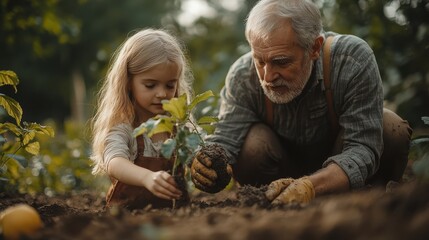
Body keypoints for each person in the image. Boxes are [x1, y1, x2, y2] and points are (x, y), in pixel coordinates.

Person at [190, 0, 412, 205]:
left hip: (342, 176)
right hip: (276, 176)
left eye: (281, 62)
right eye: (259, 60)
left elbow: (363, 146)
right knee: (251, 144)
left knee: (391, 129)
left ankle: (370, 200)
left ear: (314, 48)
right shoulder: (242, 76)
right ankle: (269, 200)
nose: (267, 77)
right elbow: (226, 140)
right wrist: (206, 164)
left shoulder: (351, 61)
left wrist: (311, 186)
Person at [90, 28, 193, 209]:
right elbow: (114, 162)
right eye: (150, 85)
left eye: (170, 85)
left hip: (178, 219)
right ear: (128, 82)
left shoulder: (179, 127)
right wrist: (146, 177)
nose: (162, 93)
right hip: (127, 220)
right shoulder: (124, 128)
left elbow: (197, 150)